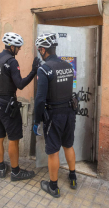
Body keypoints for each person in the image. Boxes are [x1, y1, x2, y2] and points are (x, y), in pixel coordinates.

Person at [0, 32, 40, 181]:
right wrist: (33, 71)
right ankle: (16, 172)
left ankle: (1, 167)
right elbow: (20, 84)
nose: (19, 50)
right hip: (7, 106)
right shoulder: (11, 62)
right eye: (18, 47)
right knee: (13, 138)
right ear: (11, 46)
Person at [33, 33, 77, 198]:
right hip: (69, 112)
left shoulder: (44, 69)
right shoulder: (68, 65)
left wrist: (37, 121)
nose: (39, 53)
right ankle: (73, 178)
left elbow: (39, 100)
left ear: (43, 50)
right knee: (68, 145)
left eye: (39, 50)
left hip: (54, 115)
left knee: (53, 152)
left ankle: (53, 187)